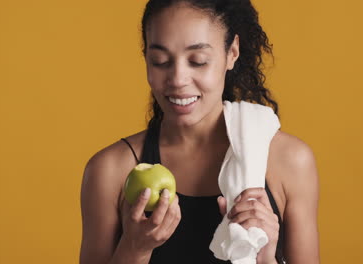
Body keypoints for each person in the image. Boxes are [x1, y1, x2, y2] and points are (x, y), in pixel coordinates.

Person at [79, 0, 320, 263]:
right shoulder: (110, 171)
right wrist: (135, 248)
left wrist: (264, 258)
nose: (178, 79)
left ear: (232, 53)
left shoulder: (289, 162)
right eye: (160, 61)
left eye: (198, 61)